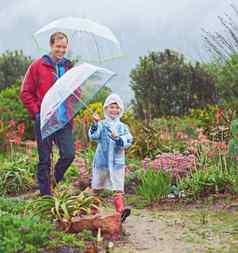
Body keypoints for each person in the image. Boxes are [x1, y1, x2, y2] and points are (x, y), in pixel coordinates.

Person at [20, 32, 75, 196]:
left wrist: (72, 103)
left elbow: (75, 91)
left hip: (63, 119)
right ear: (51, 46)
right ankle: (45, 196)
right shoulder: (38, 65)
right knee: (45, 159)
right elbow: (25, 92)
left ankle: (53, 182)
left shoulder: (69, 67)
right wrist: (37, 113)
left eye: (64, 47)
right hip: (44, 120)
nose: (61, 50)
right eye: (58, 46)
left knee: (68, 154)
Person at [88, 93, 133, 222]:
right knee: (97, 187)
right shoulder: (102, 124)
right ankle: (93, 211)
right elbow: (94, 136)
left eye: (117, 107)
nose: (114, 110)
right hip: (102, 161)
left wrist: (118, 138)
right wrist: (95, 124)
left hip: (117, 162)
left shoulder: (123, 127)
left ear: (120, 110)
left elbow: (128, 140)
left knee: (118, 188)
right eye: (111, 107)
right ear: (105, 109)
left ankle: (120, 212)